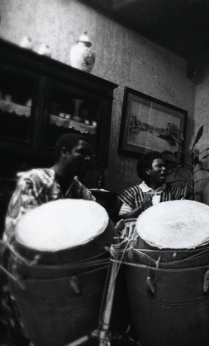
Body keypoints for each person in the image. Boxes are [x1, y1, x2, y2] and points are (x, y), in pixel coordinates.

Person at [1, 133, 95, 344]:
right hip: (23, 269)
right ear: (64, 153)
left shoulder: (79, 190)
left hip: (55, 271)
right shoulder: (34, 179)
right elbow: (27, 231)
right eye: (82, 153)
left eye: (91, 155)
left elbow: (96, 217)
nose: (88, 160)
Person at [118, 151, 190, 218]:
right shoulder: (132, 193)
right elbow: (123, 219)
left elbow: (184, 216)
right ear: (147, 171)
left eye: (164, 166)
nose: (164, 169)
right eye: (159, 166)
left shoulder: (175, 193)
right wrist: (141, 207)